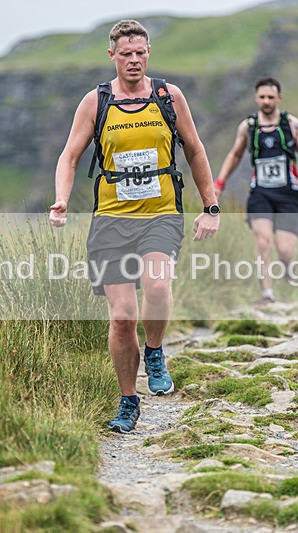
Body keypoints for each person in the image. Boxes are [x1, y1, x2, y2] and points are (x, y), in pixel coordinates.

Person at [49, 20, 220, 433]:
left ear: (148, 53)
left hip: (161, 214)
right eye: (126, 53)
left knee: (158, 287)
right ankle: (128, 401)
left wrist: (210, 207)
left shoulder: (168, 95)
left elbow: (195, 150)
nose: (134, 60)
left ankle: (156, 350)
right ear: (112, 55)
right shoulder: (96, 101)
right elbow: (70, 156)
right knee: (123, 317)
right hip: (111, 221)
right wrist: (61, 200)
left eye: (140, 53)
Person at [213, 77, 298, 307]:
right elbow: (235, 155)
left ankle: (287, 267)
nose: (266, 101)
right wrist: (220, 182)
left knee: (286, 250)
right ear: (256, 98)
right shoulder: (248, 127)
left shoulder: (291, 124)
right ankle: (267, 293)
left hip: (288, 193)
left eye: (270, 97)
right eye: (262, 97)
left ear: (279, 98)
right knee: (263, 241)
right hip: (261, 194)